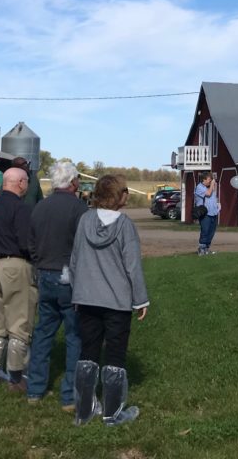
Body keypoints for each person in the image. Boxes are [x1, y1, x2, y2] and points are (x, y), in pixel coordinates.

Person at [70, 174, 149, 427]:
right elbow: (133, 266)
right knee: (115, 355)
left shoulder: (85, 220)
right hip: (116, 302)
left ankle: (84, 411)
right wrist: (141, 300)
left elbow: (75, 260)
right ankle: (112, 414)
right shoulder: (125, 225)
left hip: (87, 298)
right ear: (120, 196)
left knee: (88, 352)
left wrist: (76, 291)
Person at [25, 161, 88, 411]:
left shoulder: (40, 207)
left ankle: (35, 389)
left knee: (43, 332)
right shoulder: (79, 208)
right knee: (74, 335)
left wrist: (40, 264)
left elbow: (31, 242)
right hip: (69, 276)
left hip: (45, 274)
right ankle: (69, 396)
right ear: (72, 182)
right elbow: (83, 246)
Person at [0, 167, 36, 390]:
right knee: (20, 319)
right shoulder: (20, 209)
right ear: (21, 183)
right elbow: (25, 242)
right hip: (14, 263)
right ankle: (17, 374)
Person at [195, 172, 219, 256]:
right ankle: (201, 249)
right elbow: (208, 194)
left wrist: (218, 206)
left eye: (211, 179)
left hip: (213, 212)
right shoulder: (199, 187)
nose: (210, 181)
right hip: (205, 213)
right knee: (205, 231)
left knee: (211, 232)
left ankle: (207, 249)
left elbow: (214, 195)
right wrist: (212, 184)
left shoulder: (210, 186)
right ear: (203, 179)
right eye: (209, 179)